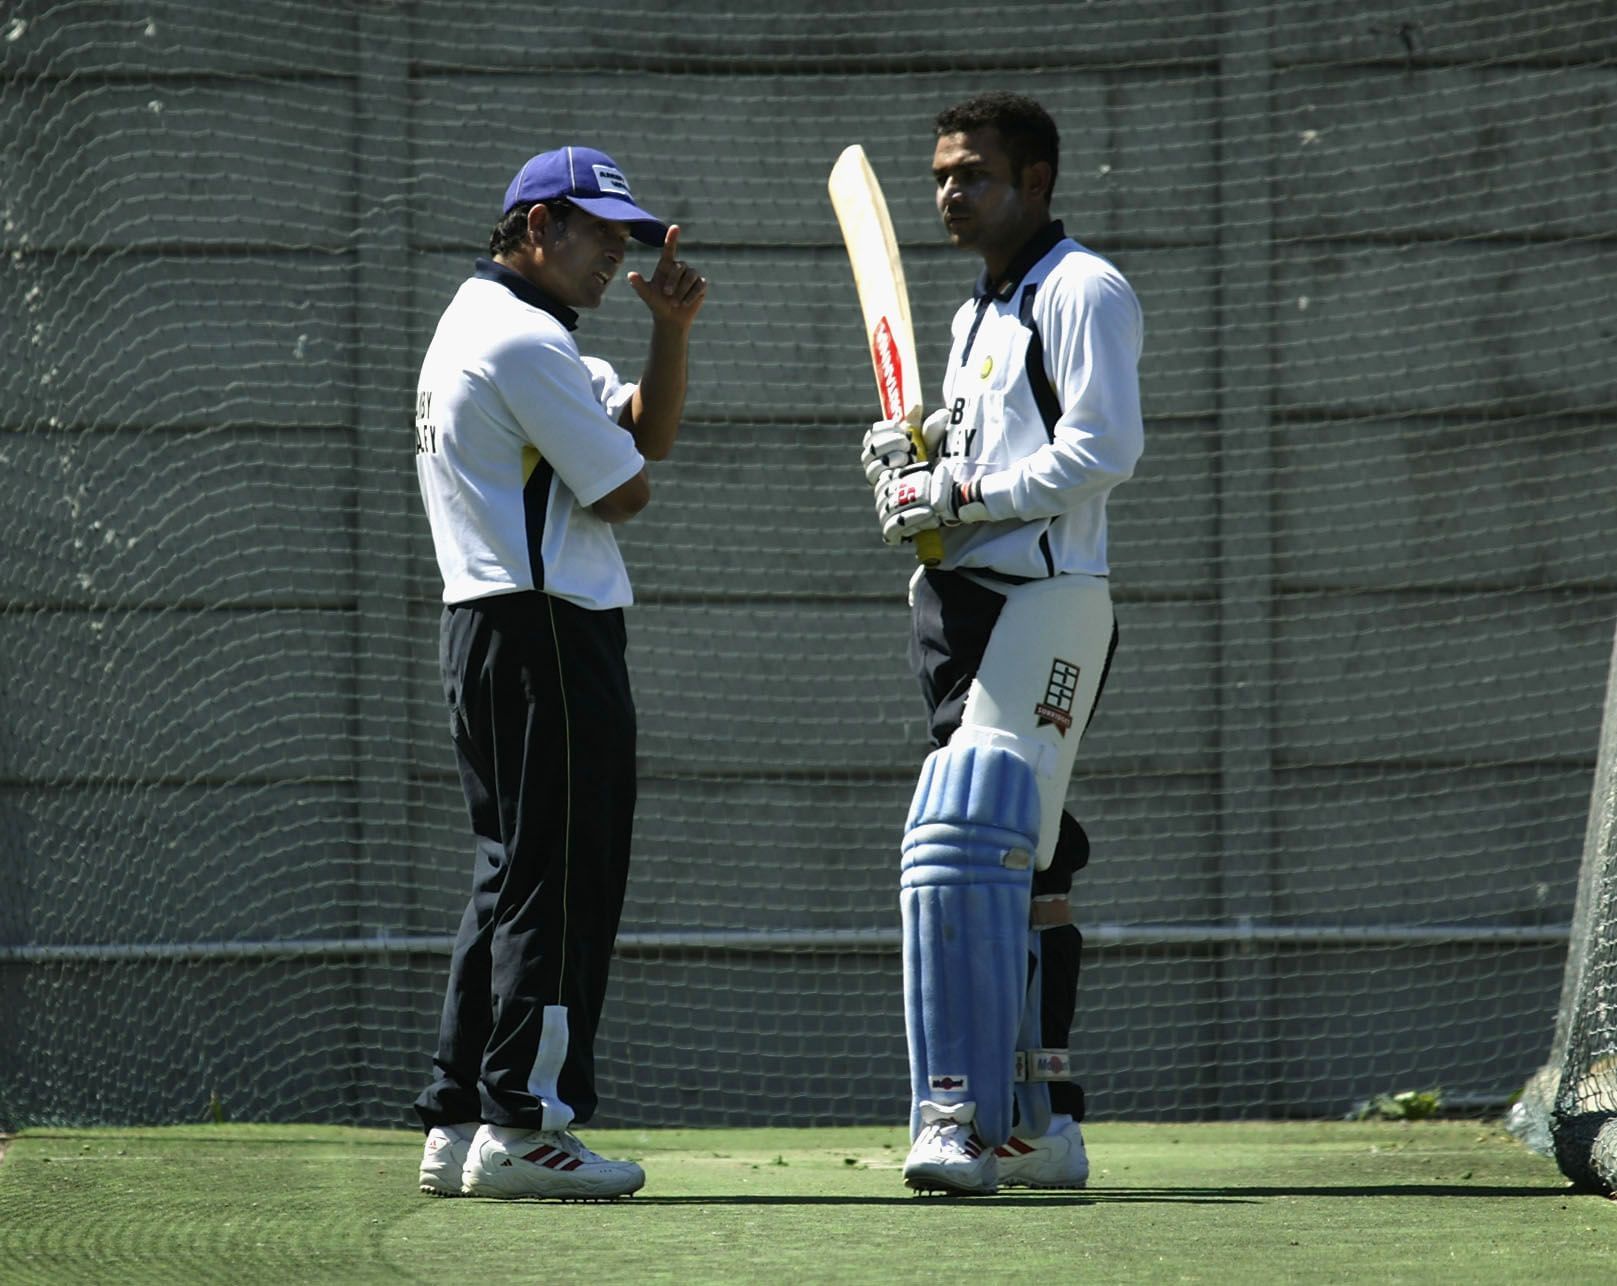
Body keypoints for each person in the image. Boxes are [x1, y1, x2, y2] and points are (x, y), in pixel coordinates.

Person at [862, 93, 1144, 1195]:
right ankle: (1042, 1115)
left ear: (1035, 182)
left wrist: (960, 484)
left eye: (972, 173)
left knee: (964, 833)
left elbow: (1103, 447)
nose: (948, 191)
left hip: (1047, 601)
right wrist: (916, 455)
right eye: (939, 173)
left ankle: (958, 1117)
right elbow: (974, 455)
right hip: (958, 603)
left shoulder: (1083, 289)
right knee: (1025, 853)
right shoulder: (980, 311)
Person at [411, 145, 706, 1200]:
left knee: (509, 872)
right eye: (599, 233)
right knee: (561, 879)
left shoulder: (490, 323)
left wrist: (668, 334)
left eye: (625, 234)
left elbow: (646, 434)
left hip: (488, 630)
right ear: (537, 226)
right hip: (546, 636)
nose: (615, 253)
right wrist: (624, 440)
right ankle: (526, 1121)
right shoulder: (524, 340)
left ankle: (459, 1116)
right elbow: (627, 492)